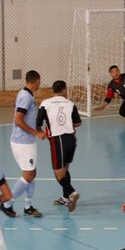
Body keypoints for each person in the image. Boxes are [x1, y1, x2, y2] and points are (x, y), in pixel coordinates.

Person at [0, 70, 45, 218]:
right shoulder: (26, 96)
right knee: (29, 174)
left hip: (24, 141)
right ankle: (6, 203)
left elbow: (19, 111)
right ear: (36, 81)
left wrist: (35, 126)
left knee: (31, 173)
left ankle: (28, 206)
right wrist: (36, 133)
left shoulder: (23, 93)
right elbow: (18, 120)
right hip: (23, 141)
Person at [36, 80, 81, 212]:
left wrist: (42, 132)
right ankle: (65, 197)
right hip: (71, 139)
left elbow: (38, 123)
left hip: (58, 140)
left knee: (58, 172)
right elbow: (78, 123)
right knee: (65, 169)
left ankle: (72, 192)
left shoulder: (45, 103)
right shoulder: (70, 103)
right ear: (64, 90)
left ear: (53, 90)